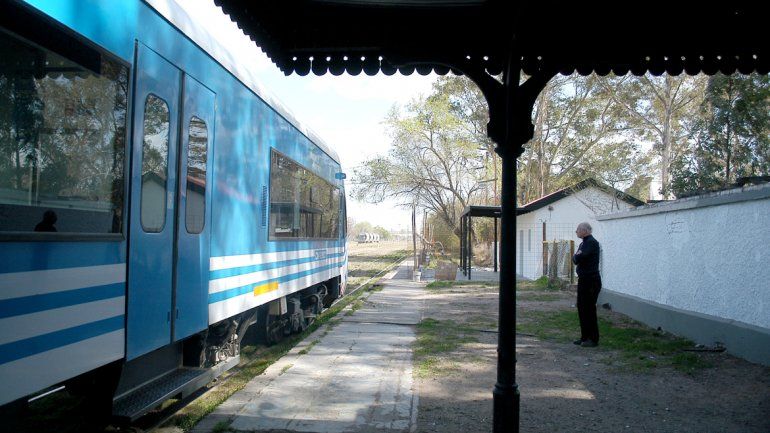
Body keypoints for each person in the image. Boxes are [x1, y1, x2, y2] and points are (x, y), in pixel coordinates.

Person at [572, 222, 601, 347]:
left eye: (578, 229)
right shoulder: (583, 243)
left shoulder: (591, 243)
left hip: (591, 280)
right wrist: (577, 256)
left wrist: (577, 256)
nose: (576, 231)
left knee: (589, 309)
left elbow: (580, 258)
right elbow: (575, 258)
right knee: (582, 308)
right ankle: (584, 337)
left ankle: (593, 339)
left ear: (585, 230)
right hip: (583, 280)